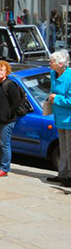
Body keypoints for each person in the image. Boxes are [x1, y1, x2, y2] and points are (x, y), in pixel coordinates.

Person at [47, 50, 71, 187]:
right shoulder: (52, 74)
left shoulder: (70, 76)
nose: (50, 63)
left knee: (70, 148)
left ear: (61, 64)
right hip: (59, 116)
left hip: (69, 118)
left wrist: (56, 99)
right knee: (63, 148)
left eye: (52, 62)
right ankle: (62, 174)